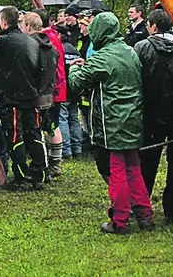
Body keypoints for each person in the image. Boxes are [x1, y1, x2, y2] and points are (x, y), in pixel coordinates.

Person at [67, 12, 150, 234]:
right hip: (133, 118)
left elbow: (76, 83)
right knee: (134, 169)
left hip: (111, 121)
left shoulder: (102, 57)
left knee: (117, 173)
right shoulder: (130, 52)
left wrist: (74, 67)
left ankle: (120, 220)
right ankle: (145, 215)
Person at [0, 7, 46, 189]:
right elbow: (40, 70)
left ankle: (21, 175)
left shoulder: (4, 41)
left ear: (4, 22)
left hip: (13, 97)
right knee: (34, 133)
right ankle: (40, 172)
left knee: (15, 136)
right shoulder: (29, 41)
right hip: (31, 96)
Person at [133, 8, 173, 224]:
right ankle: (172, 208)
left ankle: (142, 205)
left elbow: (136, 80)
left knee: (147, 161)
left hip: (150, 112)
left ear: (153, 27)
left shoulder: (141, 47)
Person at [23, 11, 65, 178]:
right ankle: (56, 162)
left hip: (37, 94)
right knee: (53, 126)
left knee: (37, 130)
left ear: (28, 26)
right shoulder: (51, 43)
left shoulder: (31, 45)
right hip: (52, 92)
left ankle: (44, 165)